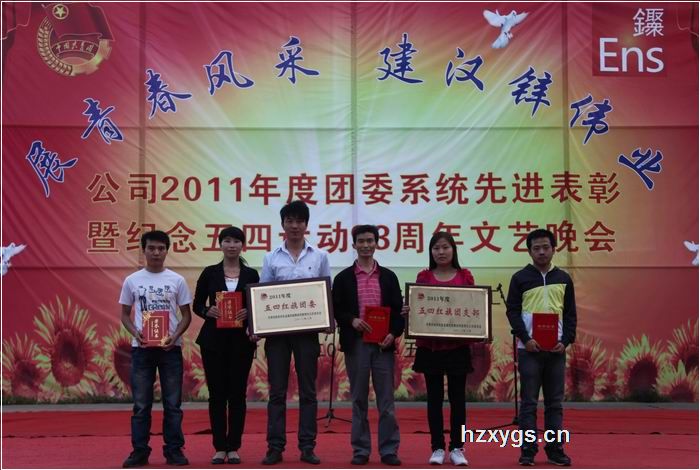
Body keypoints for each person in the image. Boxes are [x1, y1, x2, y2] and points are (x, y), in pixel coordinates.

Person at [260, 200, 331, 466]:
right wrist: (258, 325)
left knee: (308, 391)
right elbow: (263, 296)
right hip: (277, 335)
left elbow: (326, 292)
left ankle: (307, 446)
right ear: (282, 224)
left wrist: (327, 318)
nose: (294, 226)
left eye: (299, 221)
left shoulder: (319, 256)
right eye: (289, 221)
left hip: (307, 334)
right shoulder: (271, 257)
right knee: (277, 392)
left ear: (306, 224)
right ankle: (275, 447)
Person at [332, 225, 404, 466]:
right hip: (356, 344)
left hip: (383, 345)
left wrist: (393, 334)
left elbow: (398, 312)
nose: (365, 245)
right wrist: (351, 320)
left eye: (370, 241)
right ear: (354, 245)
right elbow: (336, 309)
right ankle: (361, 449)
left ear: (376, 243)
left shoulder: (388, 277)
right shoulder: (343, 278)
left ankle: (389, 449)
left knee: (386, 401)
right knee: (358, 399)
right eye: (361, 241)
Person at [119, 230, 192, 468]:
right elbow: (124, 314)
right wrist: (136, 333)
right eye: (151, 248)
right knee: (141, 405)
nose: (156, 252)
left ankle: (174, 450)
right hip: (142, 350)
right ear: (144, 250)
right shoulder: (132, 280)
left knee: (172, 404)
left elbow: (186, 315)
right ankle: (140, 451)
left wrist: (175, 336)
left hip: (170, 349)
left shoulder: (177, 280)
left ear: (167, 251)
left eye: (161, 248)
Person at [506, 229, 576, 466]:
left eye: (546, 247)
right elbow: (513, 312)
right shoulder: (520, 278)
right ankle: (528, 450)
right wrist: (526, 339)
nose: (542, 252)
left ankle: (555, 449)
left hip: (556, 350)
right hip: (529, 350)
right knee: (528, 402)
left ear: (554, 249)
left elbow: (570, 314)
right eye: (536, 248)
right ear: (529, 251)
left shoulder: (564, 278)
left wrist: (565, 341)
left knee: (554, 403)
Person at [402, 232, 473, 466]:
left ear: (453, 249)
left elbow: (474, 307)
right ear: (431, 252)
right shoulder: (423, 277)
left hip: (457, 347)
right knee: (434, 399)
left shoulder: (465, 276)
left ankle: (457, 447)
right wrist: (409, 311)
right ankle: (437, 447)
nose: (441, 252)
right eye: (436, 248)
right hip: (430, 347)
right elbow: (417, 307)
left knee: (458, 399)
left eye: (445, 247)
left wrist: (481, 328)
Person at [193, 226, 260, 465]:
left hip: (242, 342)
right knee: (217, 395)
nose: (232, 245)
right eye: (227, 241)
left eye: (236, 241)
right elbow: (197, 304)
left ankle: (234, 447)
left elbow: (258, 304)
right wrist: (207, 311)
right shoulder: (210, 273)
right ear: (220, 244)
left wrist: (249, 312)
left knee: (237, 395)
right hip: (213, 342)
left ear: (243, 245)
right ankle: (219, 447)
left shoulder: (251, 274)